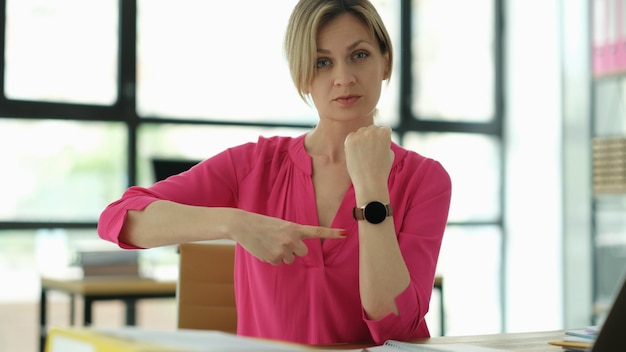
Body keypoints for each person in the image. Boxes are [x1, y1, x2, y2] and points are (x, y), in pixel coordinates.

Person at [98, 0, 452, 346]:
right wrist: (234, 224)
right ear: (302, 77)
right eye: (322, 62)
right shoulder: (253, 165)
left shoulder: (425, 180)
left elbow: (395, 328)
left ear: (385, 62)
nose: (343, 78)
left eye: (359, 55)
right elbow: (118, 217)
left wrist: (372, 187)